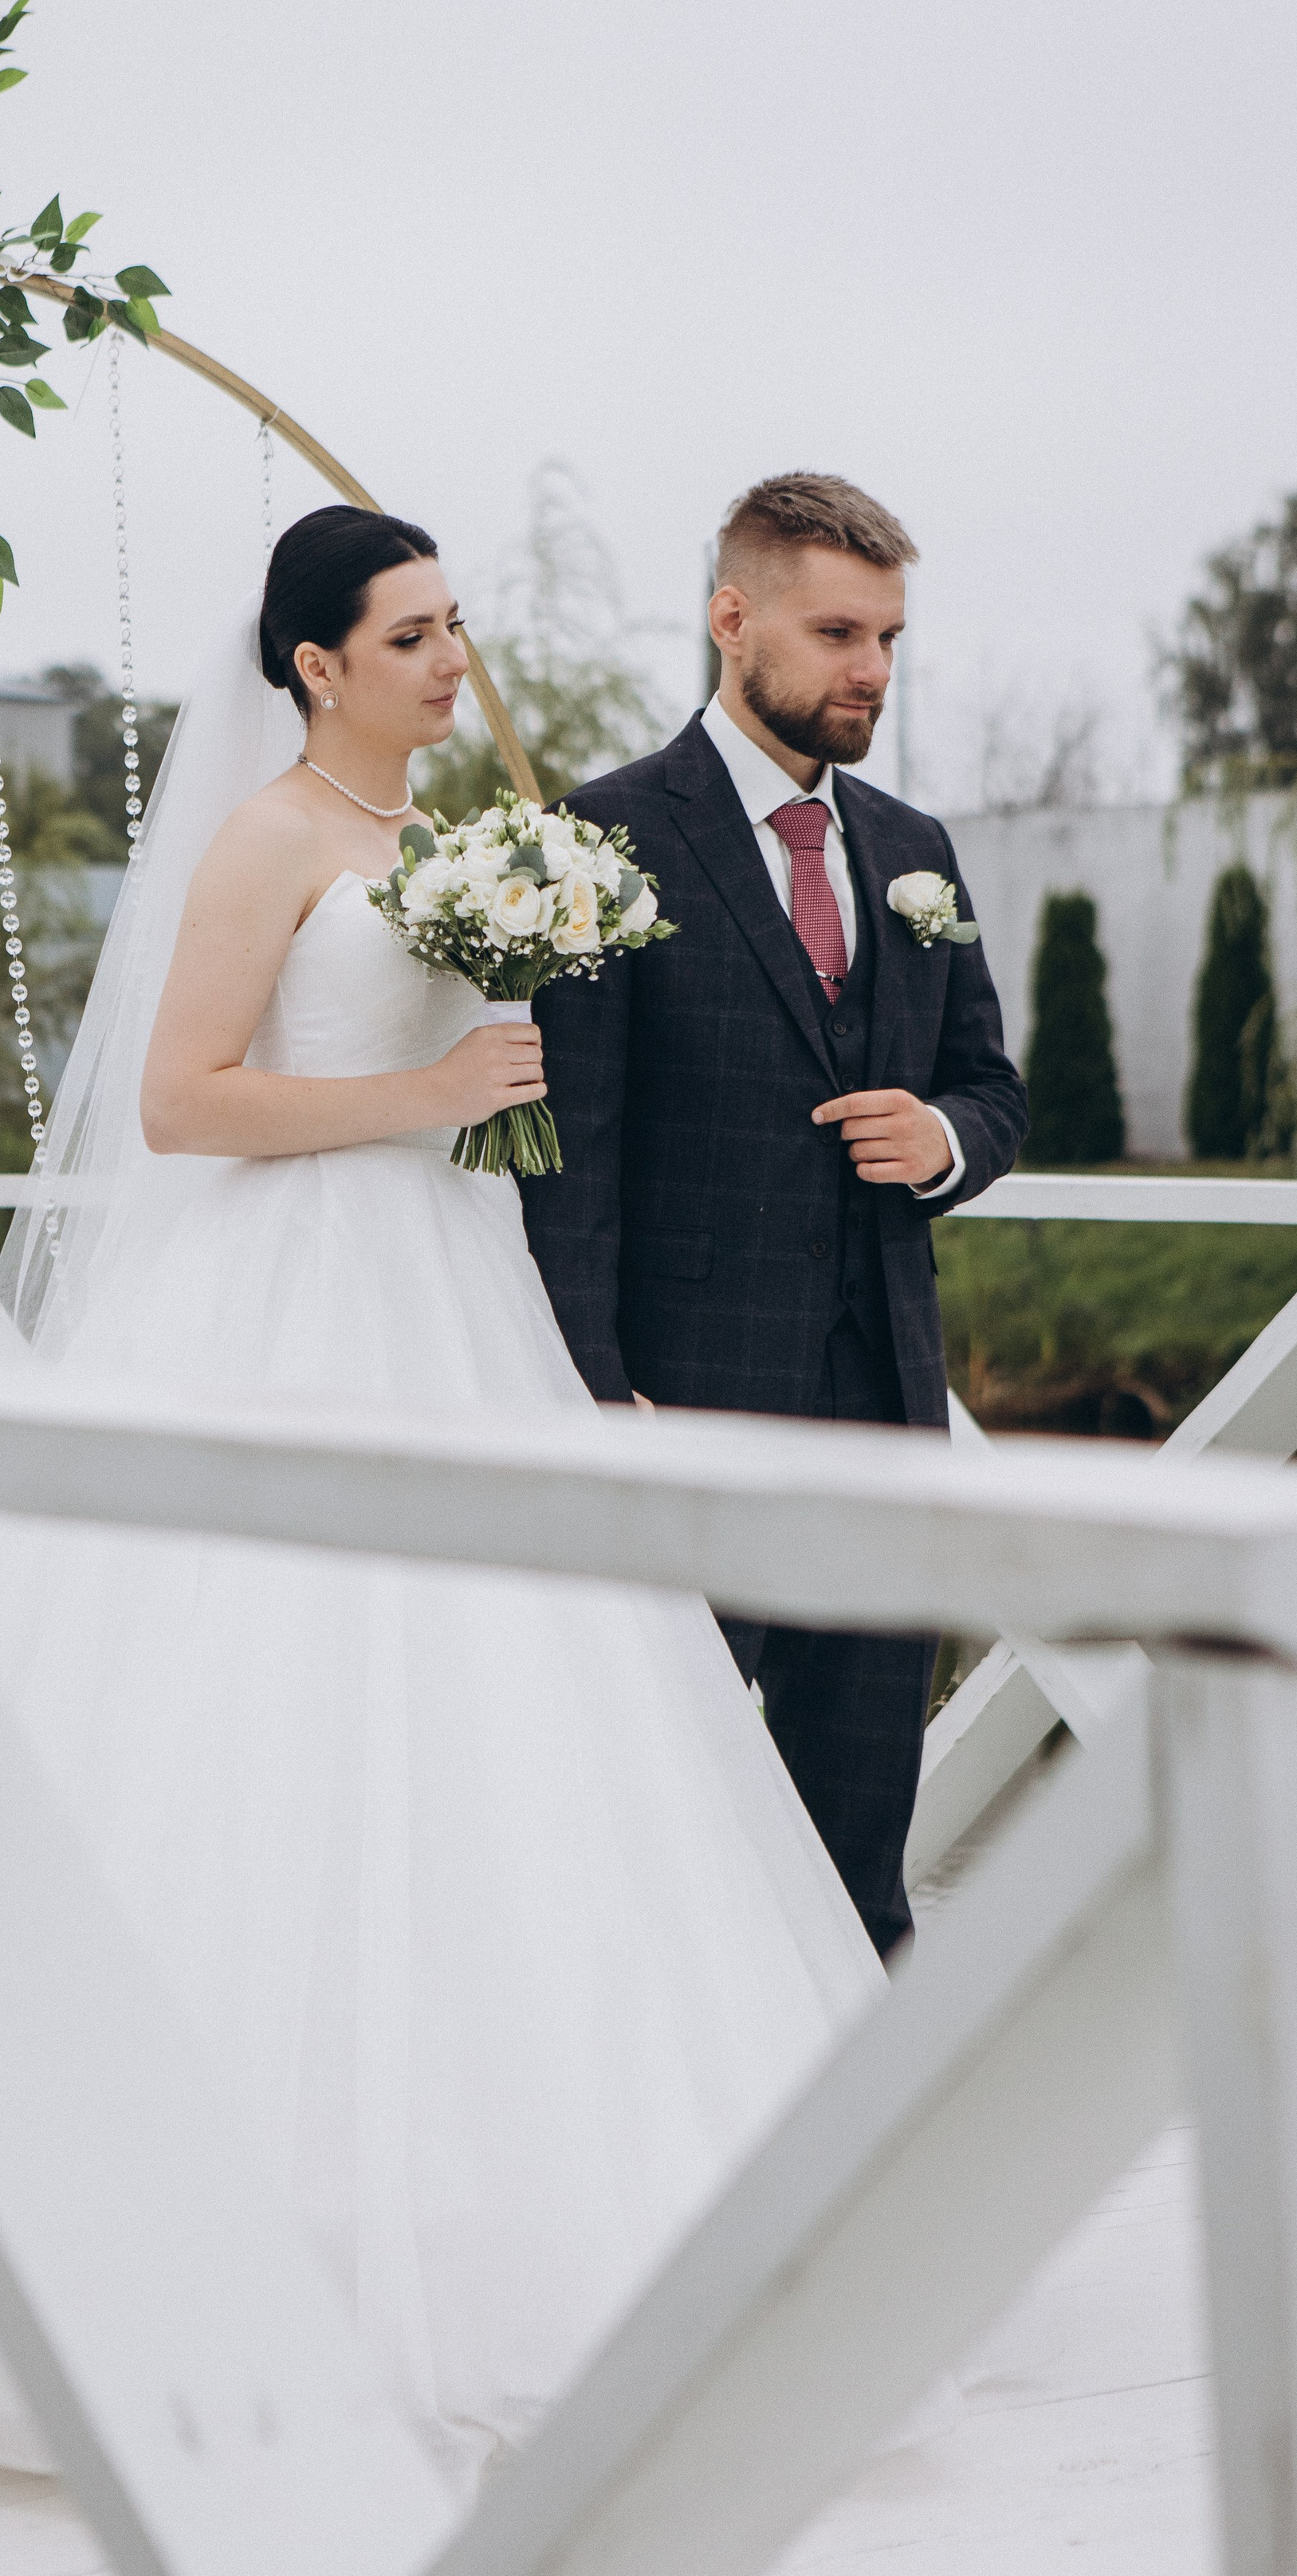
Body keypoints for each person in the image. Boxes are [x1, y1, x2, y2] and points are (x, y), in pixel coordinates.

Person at [0, 505, 882, 2495]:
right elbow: (180, 1100)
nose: (452, 663)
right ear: (317, 666)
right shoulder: (267, 845)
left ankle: (531, 2240)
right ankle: (160, 2264)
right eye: (413, 636)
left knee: (516, 1736)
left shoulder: (449, 852)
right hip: (276, 1308)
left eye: (455, 627)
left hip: (447, 1297)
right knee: (242, 1732)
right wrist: (424, 1098)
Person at [521, 473, 1028, 1961]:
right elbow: (574, 1161)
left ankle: (860, 2122)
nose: (872, 670)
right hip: (685, 1405)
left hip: (882, 1402)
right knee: (647, 1797)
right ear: (731, 621)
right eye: (836, 633)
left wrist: (941, 1135)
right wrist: (599, 1395)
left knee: (861, 1819)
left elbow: (992, 1088)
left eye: (887, 637)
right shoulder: (604, 836)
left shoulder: (916, 844)